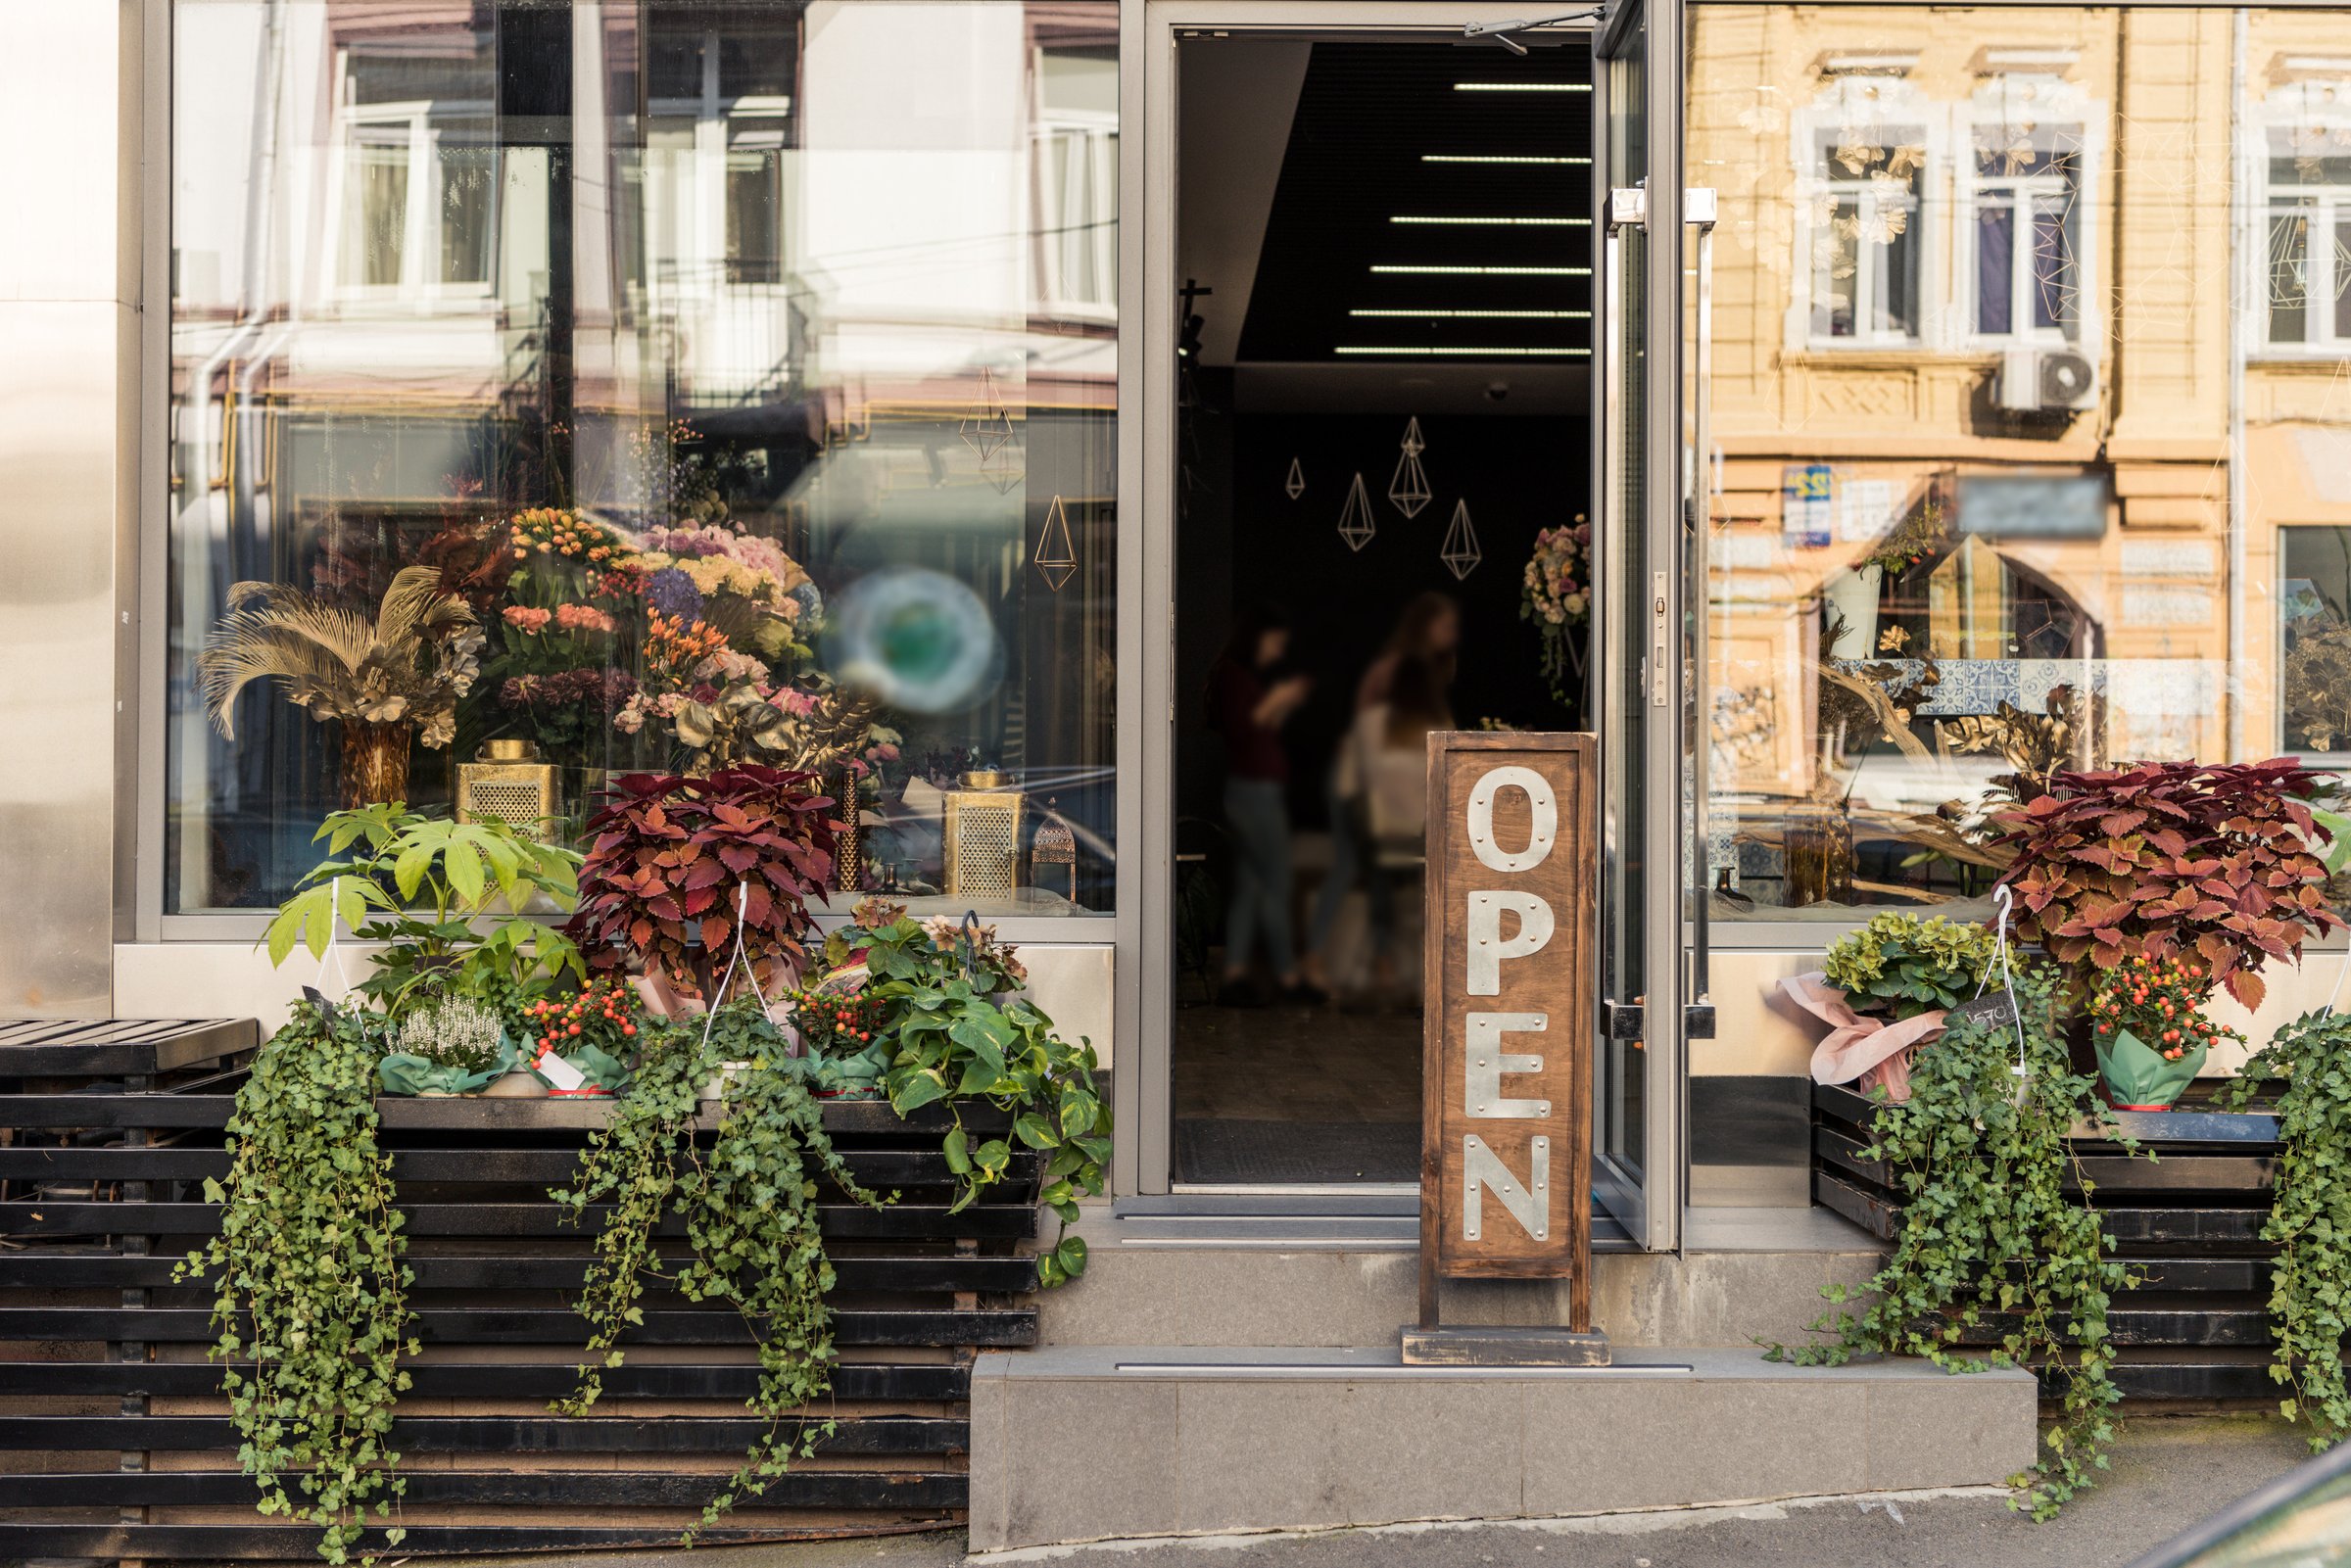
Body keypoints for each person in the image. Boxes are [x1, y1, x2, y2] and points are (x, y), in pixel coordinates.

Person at [1304, 594, 1460, 996]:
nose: (1451, 634)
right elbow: (1370, 755)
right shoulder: (1397, 678)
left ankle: (1382, 960)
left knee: (1376, 870)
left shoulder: (1420, 711)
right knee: (1353, 864)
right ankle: (1325, 956)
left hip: (1374, 791)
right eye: (1445, 625)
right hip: (1358, 789)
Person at [1206, 603, 1319, 1007]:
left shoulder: (1235, 677)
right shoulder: (1234, 677)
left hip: (1254, 791)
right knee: (1275, 884)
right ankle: (1288, 978)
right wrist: (1280, 700)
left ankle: (1235, 976)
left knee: (1253, 888)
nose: (1277, 652)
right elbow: (1244, 730)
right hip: (1254, 793)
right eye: (1275, 643)